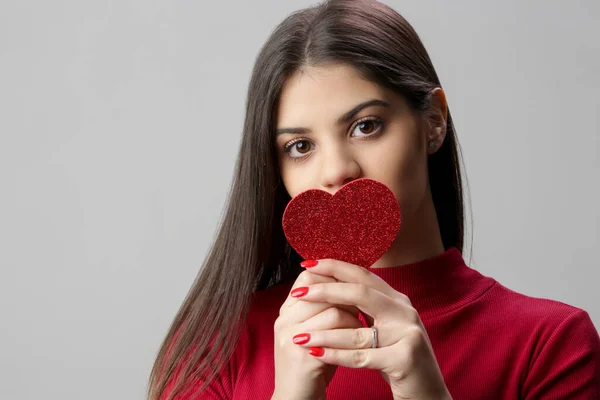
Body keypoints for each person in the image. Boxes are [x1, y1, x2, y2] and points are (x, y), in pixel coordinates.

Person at [147, 1, 600, 399]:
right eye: (300, 147)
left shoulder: (552, 344)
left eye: (365, 125)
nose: (335, 170)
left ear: (434, 123)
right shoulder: (215, 346)